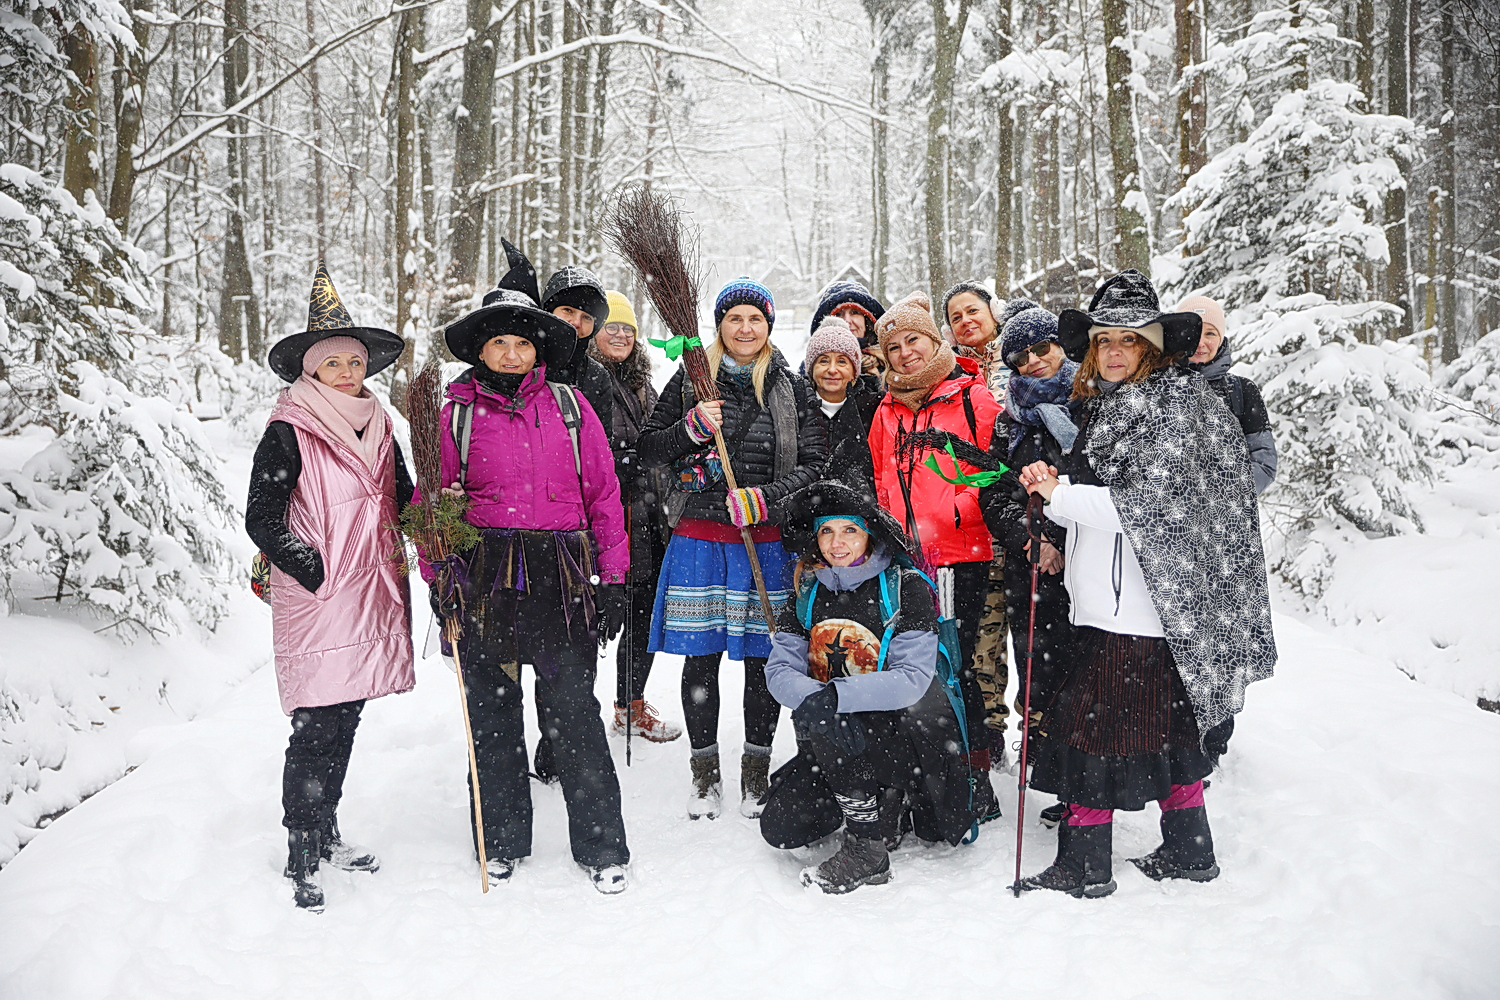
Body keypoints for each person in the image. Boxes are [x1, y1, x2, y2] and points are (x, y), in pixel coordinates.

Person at [1015, 269, 1277, 898]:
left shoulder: (1170, 411)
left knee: (1089, 732)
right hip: (1135, 606)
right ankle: (1190, 850)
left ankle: (1085, 864)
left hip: (1135, 606)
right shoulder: (1126, 406)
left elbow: (1147, 509)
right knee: (1171, 729)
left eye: (1128, 341)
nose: (1111, 351)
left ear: (1153, 348)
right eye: (1103, 339)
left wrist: (1058, 496)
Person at [425, 271, 632, 894]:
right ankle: (501, 838)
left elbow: (604, 497)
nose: (512, 355)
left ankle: (600, 844)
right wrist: (441, 579)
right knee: (490, 712)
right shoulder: (454, 415)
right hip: (483, 573)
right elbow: (432, 506)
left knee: (572, 710)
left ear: (539, 350)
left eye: (523, 344)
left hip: (561, 573)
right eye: (499, 345)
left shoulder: (571, 410)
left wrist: (614, 578)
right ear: (480, 350)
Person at [246, 263, 414, 912]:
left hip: (370, 591)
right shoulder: (290, 429)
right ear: (310, 370)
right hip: (318, 599)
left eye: (355, 361)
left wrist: (438, 519)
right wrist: (311, 569)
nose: (348, 372)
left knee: (348, 717)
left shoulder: (381, 425)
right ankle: (299, 848)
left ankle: (329, 830)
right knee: (316, 723)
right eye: (334, 362)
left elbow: (401, 495)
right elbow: (262, 517)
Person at [637, 276, 826, 819]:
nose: (745, 328)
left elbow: (815, 466)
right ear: (720, 326)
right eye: (734, 318)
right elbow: (651, 449)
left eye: (755, 319)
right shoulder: (692, 381)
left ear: (768, 326)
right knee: (702, 661)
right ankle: (703, 774)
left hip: (764, 545)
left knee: (762, 661)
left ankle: (755, 771)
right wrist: (691, 429)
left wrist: (765, 499)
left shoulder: (791, 388)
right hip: (699, 540)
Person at [760, 462, 978, 893]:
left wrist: (835, 698)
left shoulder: (905, 586)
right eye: (826, 532)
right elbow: (779, 668)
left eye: (849, 531)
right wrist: (820, 701)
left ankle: (868, 848)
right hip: (832, 731)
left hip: (901, 736)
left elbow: (913, 677)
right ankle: (871, 803)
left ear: (868, 533)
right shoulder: (809, 590)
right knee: (781, 828)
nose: (837, 544)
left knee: (830, 723)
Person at [978, 302, 1080, 811]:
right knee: (1034, 660)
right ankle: (1038, 751)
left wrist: (1065, 534)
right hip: (1030, 559)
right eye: (1021, 356)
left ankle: (1078, 769)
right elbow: (991, 491)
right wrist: (1031, 537)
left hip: (1089, 558)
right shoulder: (1008, 422)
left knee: (1082, 667)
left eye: (1043, 348)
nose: (1034, 362)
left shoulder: (1092, 405)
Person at [1174, 295, 1278, 769]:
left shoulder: (1242, 392)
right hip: (1171, 539)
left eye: (1209, 333)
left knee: (1223, 637)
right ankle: (1178, 735)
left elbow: (1264, 462)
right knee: (1178, 634)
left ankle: (1212, 741)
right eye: (1192, 332)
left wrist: (1219, 500)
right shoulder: (1160, 390)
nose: (1200, 343)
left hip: (1228, 542)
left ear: (1222, 338)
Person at [587, 289, 682, 743]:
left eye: (628, 328)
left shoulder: (643, 381)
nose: (621, 335)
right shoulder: (586, 379)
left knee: (644, 617)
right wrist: (622, 461)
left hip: (649, 519)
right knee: (602, 620)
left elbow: (660, 437)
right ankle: (570, 725)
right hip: (608, 520)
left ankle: (630, 704)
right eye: (612, 327)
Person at [802, 314, 881, 482]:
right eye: (823, 361)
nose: (832, 370)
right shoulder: (796, 407)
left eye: (842, 361)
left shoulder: (874, 409)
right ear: (811, 369)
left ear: (854, 371)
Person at [809, 279, 887, 375]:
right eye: (838, 314)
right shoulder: (811, 367)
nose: (847, 321)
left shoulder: (894, 364)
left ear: (868, 321)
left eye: (855, 312)